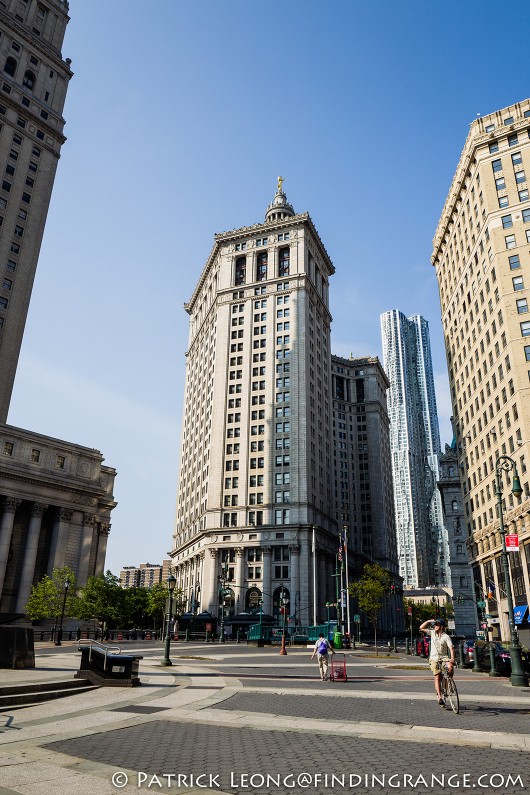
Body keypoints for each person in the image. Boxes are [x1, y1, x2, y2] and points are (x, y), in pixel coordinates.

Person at [419, 618, 455, 706]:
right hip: (434, 658)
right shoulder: (432, 633)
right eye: (434, 625)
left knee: (450, 667)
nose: (434, 626)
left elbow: (451, 648)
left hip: (444, 658)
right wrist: (428, 621)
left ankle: (449, 682)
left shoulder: (446, 636)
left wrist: (452, 658)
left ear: (441, 627)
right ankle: (439, 697)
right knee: (437, 676)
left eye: (436, 625)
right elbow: (421, 628)